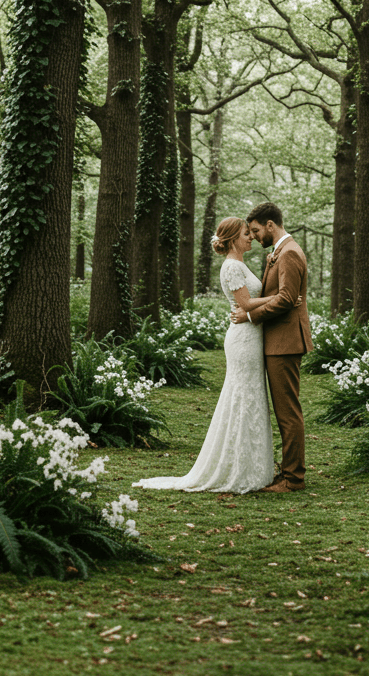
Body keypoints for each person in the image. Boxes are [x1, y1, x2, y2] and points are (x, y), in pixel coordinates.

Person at [132, 217, 276, 494]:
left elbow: (250, 299)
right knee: (242, 395)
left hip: (252, 335)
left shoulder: (240, 264)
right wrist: (280, 297)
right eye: (246, 234)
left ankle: (251, 466)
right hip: (243, 339)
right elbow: (245, 303)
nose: (251, 237)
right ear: (233, 238)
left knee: (252, 395)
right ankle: (237, 468)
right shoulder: (231, 266)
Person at [231, 201, 312, 493]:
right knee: (284, 411)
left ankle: (293, 479)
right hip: (278, 341)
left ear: (270, 225)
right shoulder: (279, 252)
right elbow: (282, 295)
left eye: (255, 231)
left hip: (285, 342)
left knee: (288, 412)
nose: (253, 237)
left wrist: (250, 315)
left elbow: (287, 298)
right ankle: (288, 472)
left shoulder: (288, 253)